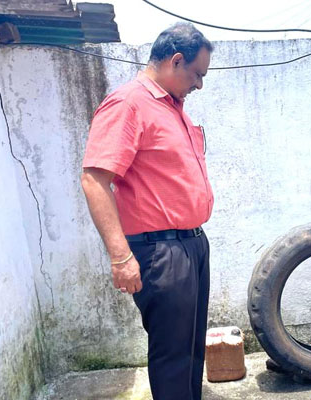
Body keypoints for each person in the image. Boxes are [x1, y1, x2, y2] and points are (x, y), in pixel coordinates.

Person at [81, 22, 214, 399]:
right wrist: (120, 255)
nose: (199, 85)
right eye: (197, 74)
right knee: (172, 354)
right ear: (175, 61)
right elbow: (94, 179)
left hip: (192, 245)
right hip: (161, 251)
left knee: (191, 350)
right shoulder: (129, 103)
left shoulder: (174, 109)